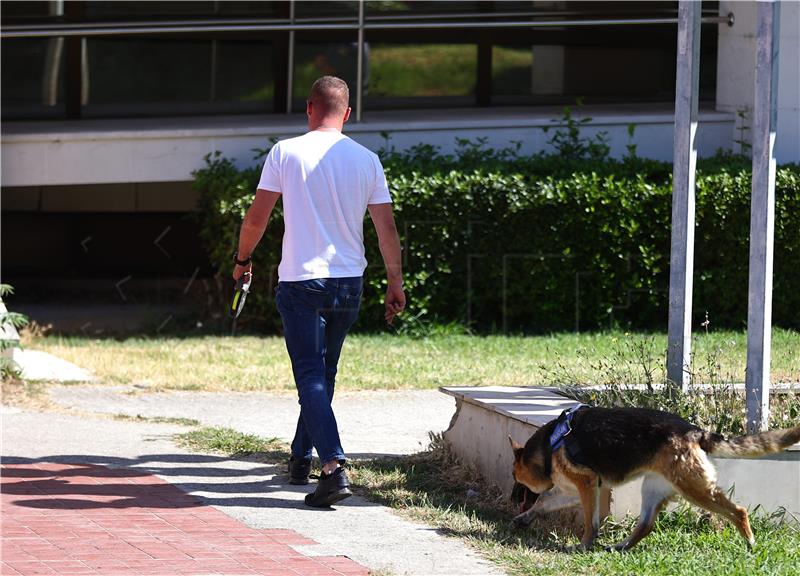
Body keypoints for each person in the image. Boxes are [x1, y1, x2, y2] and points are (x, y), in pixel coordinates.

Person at [232, 76, 405, 508]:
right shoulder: (368, 160)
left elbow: (257, 218)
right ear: (347, 114)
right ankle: (298, 458)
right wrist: (395, 281)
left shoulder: (285, 152)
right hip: (349, 282)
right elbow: (386, 230)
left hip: (301, 282)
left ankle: (332, 467)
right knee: (323, 376)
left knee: (310, 376)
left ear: (309, 108)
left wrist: (242, 259)